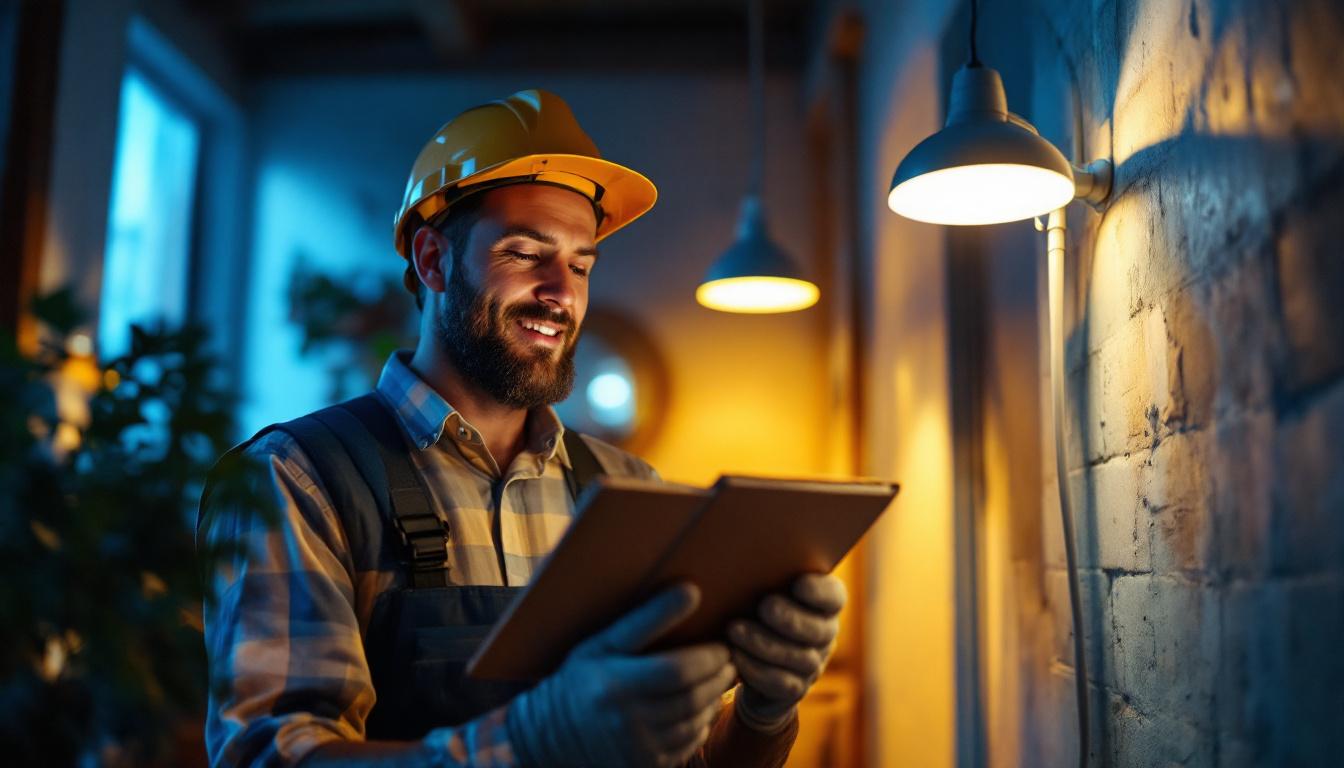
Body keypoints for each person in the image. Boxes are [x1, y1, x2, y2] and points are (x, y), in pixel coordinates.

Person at [198, 89, 847, 767]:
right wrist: (537, 742)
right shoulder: (297, 479)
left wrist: (763, 712)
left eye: (580, 265)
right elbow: (272, 758)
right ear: (432, 261)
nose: (561, 294)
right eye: (524, 253)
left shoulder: (631, 491)